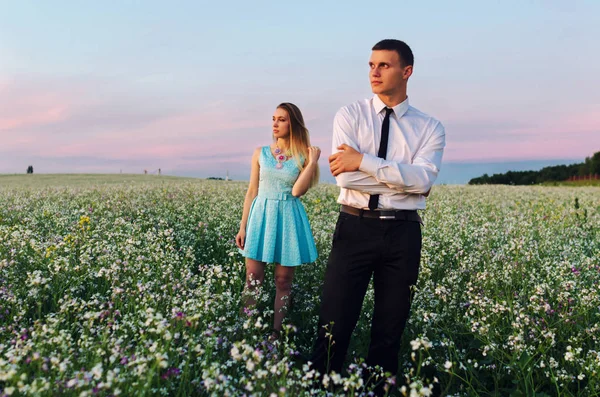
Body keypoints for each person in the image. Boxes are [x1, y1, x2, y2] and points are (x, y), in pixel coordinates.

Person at [311, 39, 446, 389]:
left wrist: (365, 162)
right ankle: (319, 388)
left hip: (403, 233)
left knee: (390, 329)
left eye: (384, 65)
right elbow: (344, 175)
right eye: (371, 65)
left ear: (407, 71)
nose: (374, 71)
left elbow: (425, 178)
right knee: (333, 323)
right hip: (354, 226)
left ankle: (375, 391)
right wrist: (406, 181)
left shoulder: (430, 127)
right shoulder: (350, 114)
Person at [236, 102, 321, 339]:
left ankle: (276, 333)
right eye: (274, 118)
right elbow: (252, 191)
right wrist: (243, 226)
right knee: (253, 279)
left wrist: (312, 162)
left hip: (288, 218)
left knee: (283, 281)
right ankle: (244, 331)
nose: (275, 123)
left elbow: (297, 192)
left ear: (292, 123)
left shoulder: (305, 156)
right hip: (261, 215)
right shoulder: (260, 152)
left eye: (282, 119)